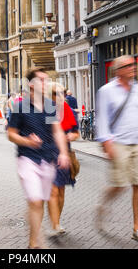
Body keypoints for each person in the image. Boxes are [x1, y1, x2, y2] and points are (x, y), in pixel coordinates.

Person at [95, 55, 138, 244]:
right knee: (119, 185)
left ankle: (137, 228)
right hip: (119, 143)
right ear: (118, 70)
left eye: (133, 64)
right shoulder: (106, 91)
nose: (133, 67)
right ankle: (103, 205)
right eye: (128, 65)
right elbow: (102, 120)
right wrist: (106, 142)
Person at [7, 68, 70, 249]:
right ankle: (35, 245)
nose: (46, 83)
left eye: (46, 80)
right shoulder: (20, 107)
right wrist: (26, 140)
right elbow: (11, 135)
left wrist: (64, 153)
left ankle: (32, 242)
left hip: (47, 159)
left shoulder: (50, 106)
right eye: (42, 80)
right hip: (27, 158)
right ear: (31, 85)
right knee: (35, 200)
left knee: (38, 202)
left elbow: (57, 131)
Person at [47, 82, 80, 236]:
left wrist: (71, 136)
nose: (59, 96)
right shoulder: (44, 110)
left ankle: (57, 221)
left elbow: (76, 132)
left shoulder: (68, 110)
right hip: (47, 154)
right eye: (55, 93)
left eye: (62, 93)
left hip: (64, 153)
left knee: (60, 191)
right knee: (53, 191)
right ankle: (54, 223)